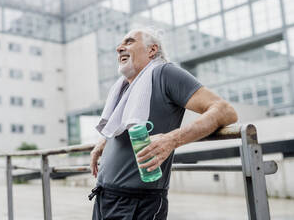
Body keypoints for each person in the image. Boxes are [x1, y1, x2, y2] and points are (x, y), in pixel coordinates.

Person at [89, 27, 238, 220]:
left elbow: (225, 110)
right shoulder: (125, 88)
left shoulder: (165, 73)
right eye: (120, 44)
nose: (119, 48)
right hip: (104, 197)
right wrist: (106, 140)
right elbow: (124, 124)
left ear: (152, 50)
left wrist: (172, 139)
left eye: (129, 42)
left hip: (137, 205)